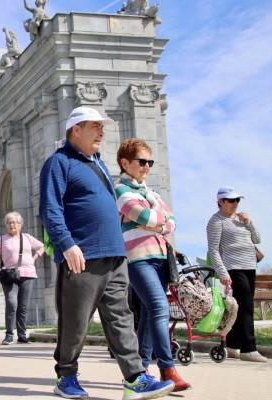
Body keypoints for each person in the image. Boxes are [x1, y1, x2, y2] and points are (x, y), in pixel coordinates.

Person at [39, 106, 174, 400]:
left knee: (121, 318)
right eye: (95, 126)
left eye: (103, 126)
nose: (102, 132)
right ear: (76, 129)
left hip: (115, 254)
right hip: (83, 255)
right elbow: (50, 209)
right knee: (75, 321)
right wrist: (66, 244)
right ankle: (66, 377)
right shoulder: (59, 163)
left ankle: (135, 379)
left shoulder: (98, 164)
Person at [114, 138, 190, 391]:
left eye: (150, 162)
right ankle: (168, 368)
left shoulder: (151, 193)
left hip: (159, 256)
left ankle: (141, 367)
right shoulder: (120, 191)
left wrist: (155, 222)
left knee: (148, 311)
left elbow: (172, 221)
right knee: (158, 307)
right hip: (137, 258)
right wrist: (156, 221)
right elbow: (144, 215)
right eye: (141, 161)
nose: (147, 166)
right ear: (125, 163)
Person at [206, 187, 266, 362]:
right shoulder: (216, 221)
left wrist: (249, 223)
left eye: (237, 200)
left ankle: (232, 346)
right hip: (233, 269)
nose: (235, 204)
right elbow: (214, 251)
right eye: (231, 200)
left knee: (239, 308)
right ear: (220, 202)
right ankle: (248, 349)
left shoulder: (241, 219)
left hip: (249, 267)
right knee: (246, 306)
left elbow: (257, 240)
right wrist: (223, 273)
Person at [0, 211, 44, 345]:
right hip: (9, 274)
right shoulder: (2, 239)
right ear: (6, 225)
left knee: (23, 306)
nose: (12, 225)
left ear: (20, 224)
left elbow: (41, 246)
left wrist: (34, 258)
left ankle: (22, 335)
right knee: (11, 304)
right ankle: (9, 335)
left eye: (15, 222)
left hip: (28, 274)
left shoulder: (27, 237)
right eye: (9, 222)